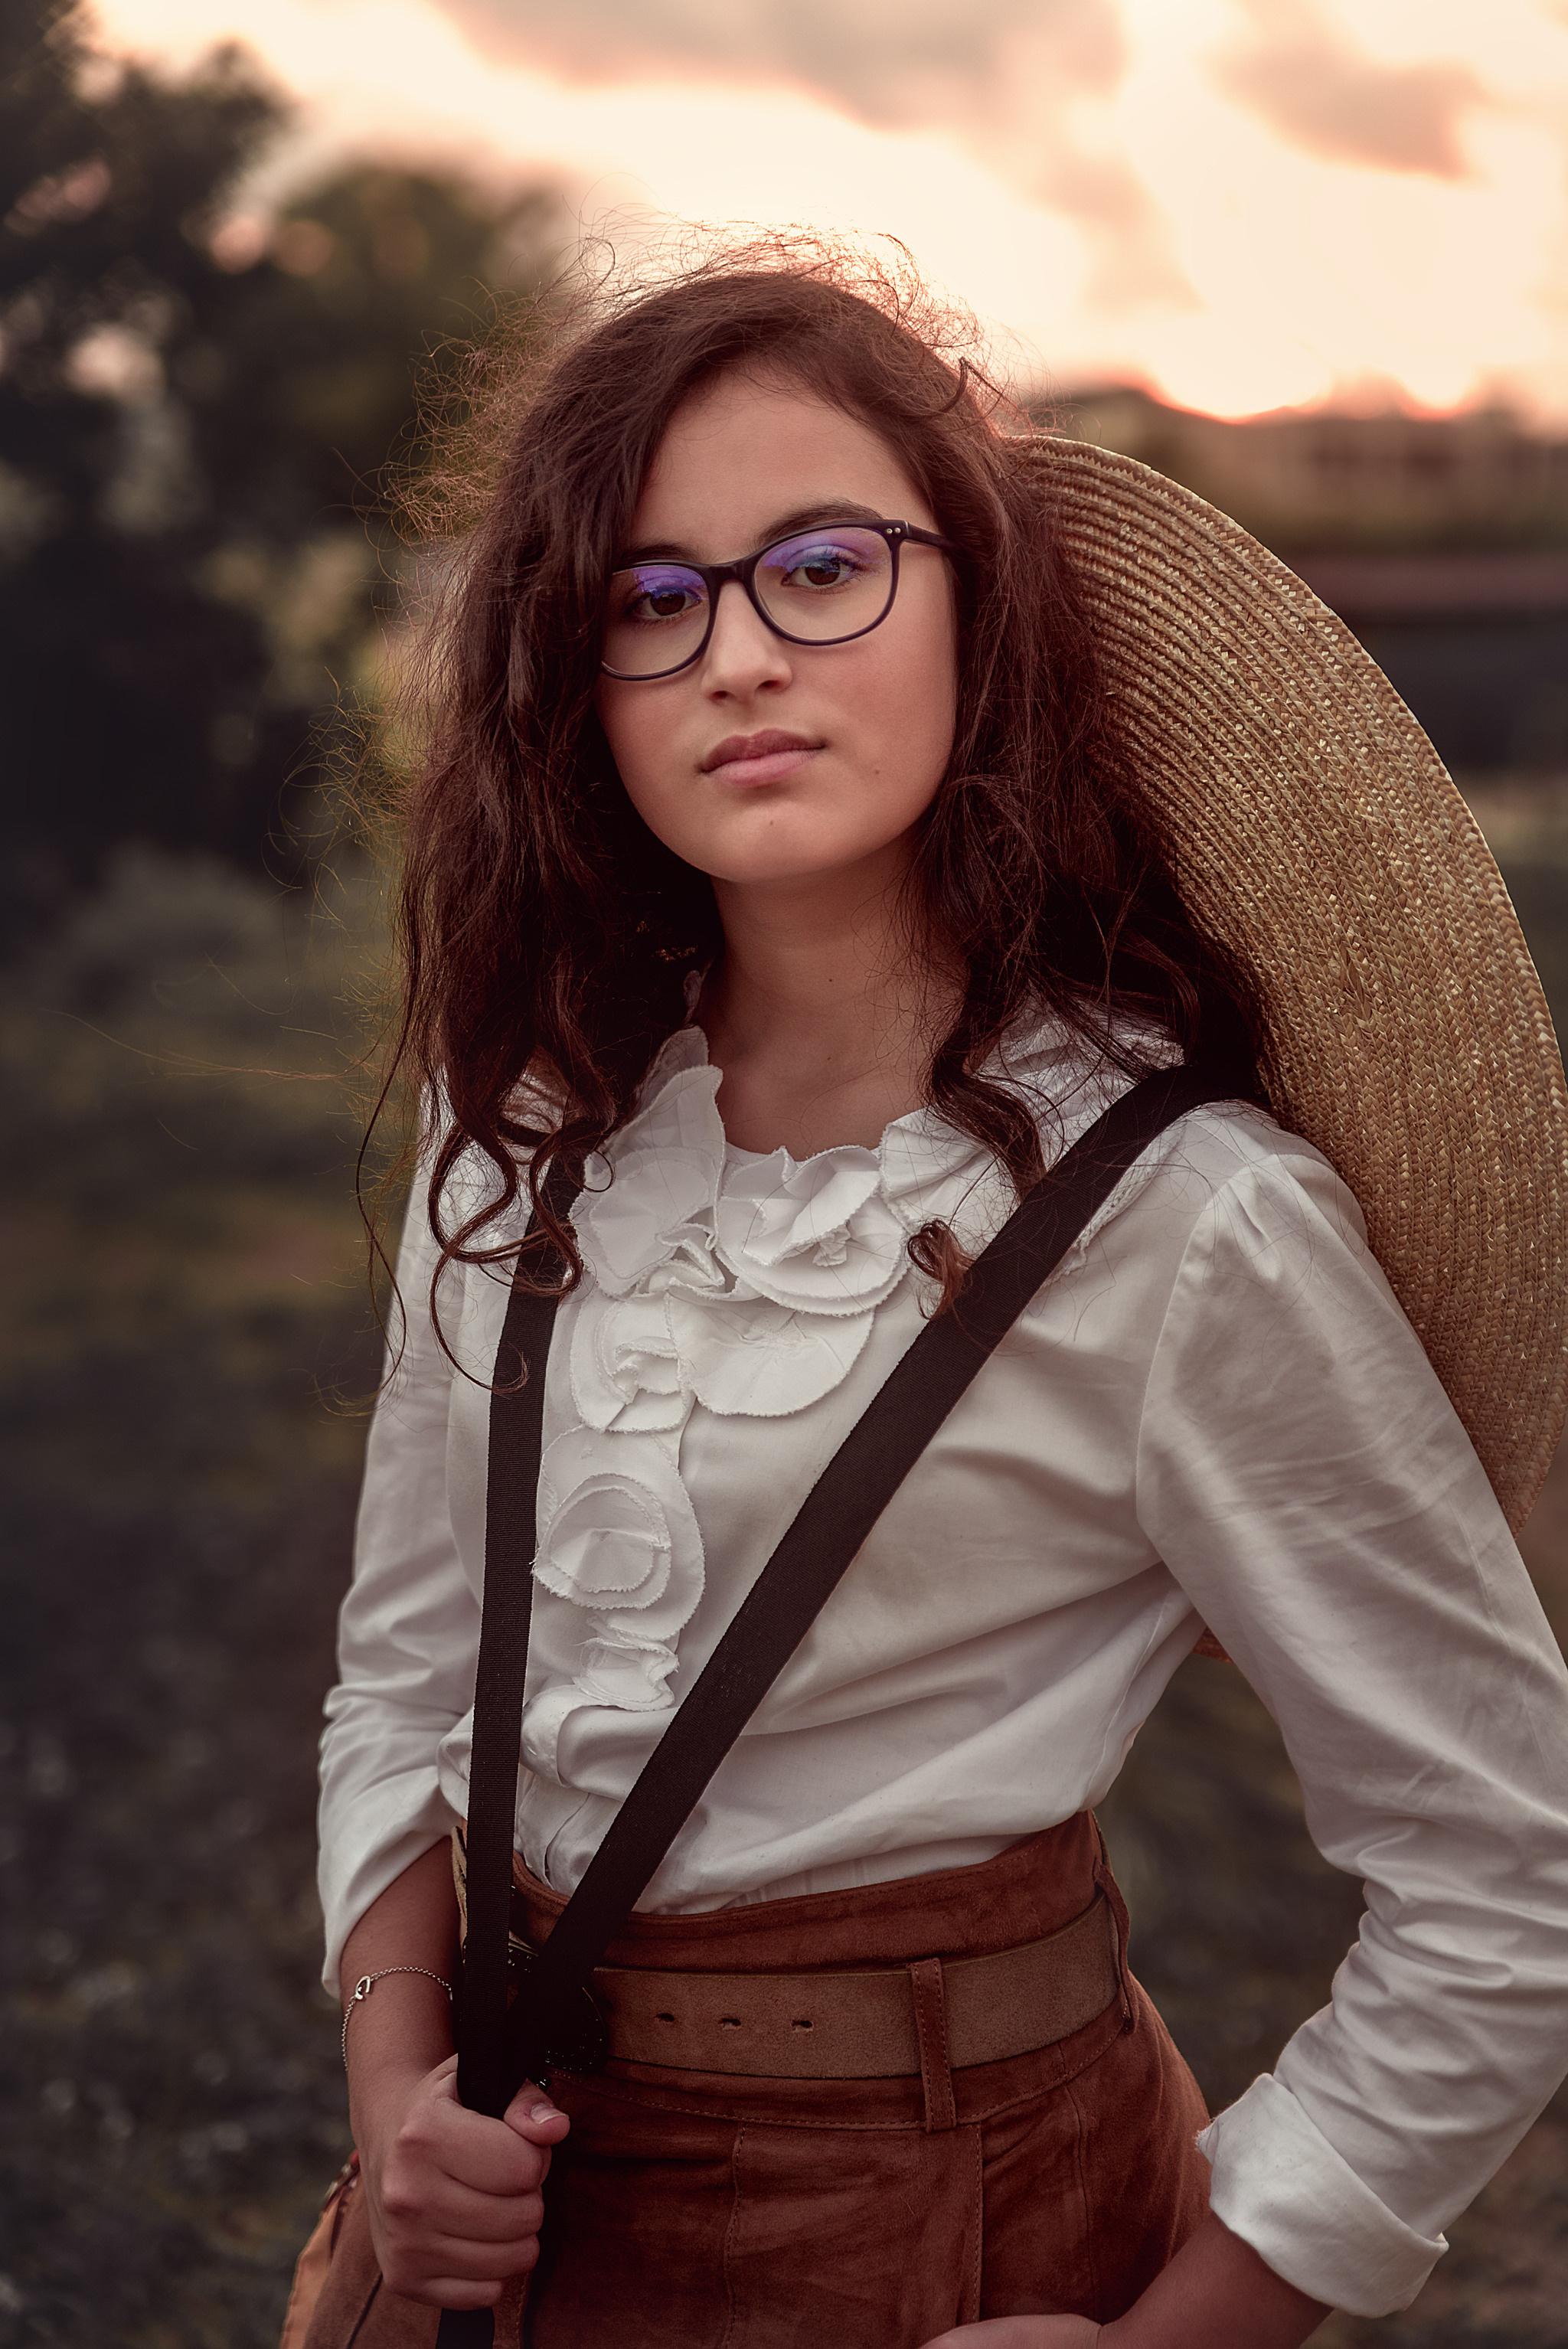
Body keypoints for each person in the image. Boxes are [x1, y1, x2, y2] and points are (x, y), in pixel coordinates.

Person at [285, 245, 1568, 2349]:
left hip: (946, 2206)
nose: (736, 656)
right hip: (507, 2209)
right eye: (649, 597)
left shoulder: (1184, 1213)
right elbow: (406, 1685)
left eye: (821, 565)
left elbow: (1508, 1872)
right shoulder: (530, 1122)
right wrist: (399, 2091)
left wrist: (1190, 2336)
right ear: (574, 682)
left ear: (980, 605)